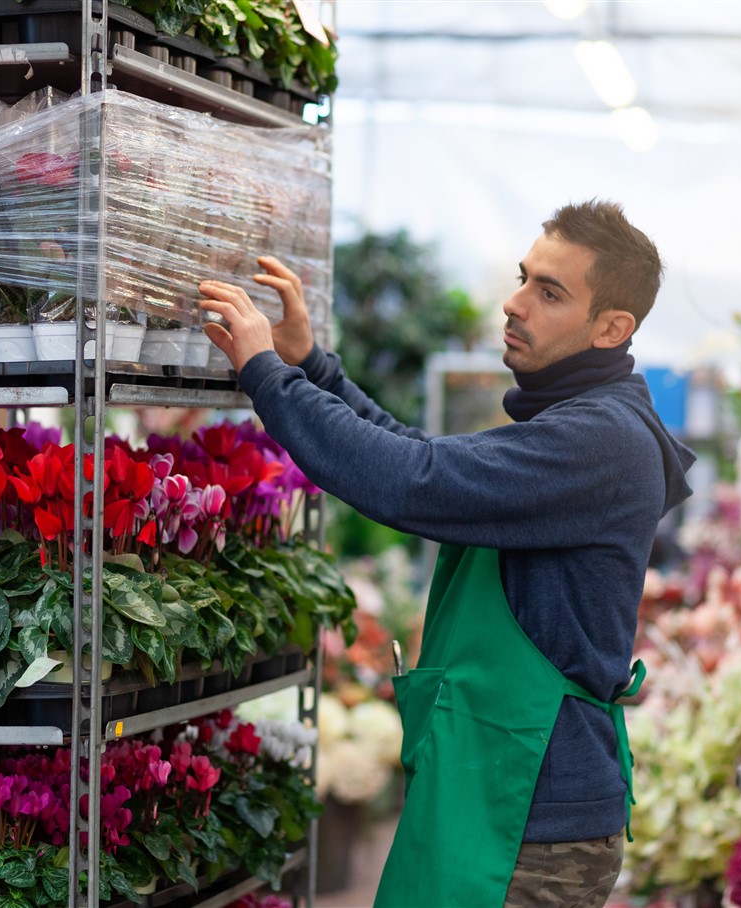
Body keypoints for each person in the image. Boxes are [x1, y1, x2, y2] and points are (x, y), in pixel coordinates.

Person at [198, 200, 696, 908]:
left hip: (527, 809)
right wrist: (310, 366)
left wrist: (266, 375)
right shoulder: (580, 423)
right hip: (497, 782)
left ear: (613, 328)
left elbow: (411, 483)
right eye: (525, 278)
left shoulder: (601, 440)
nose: (514, 303)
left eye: (549, 293)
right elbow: (425, 458)